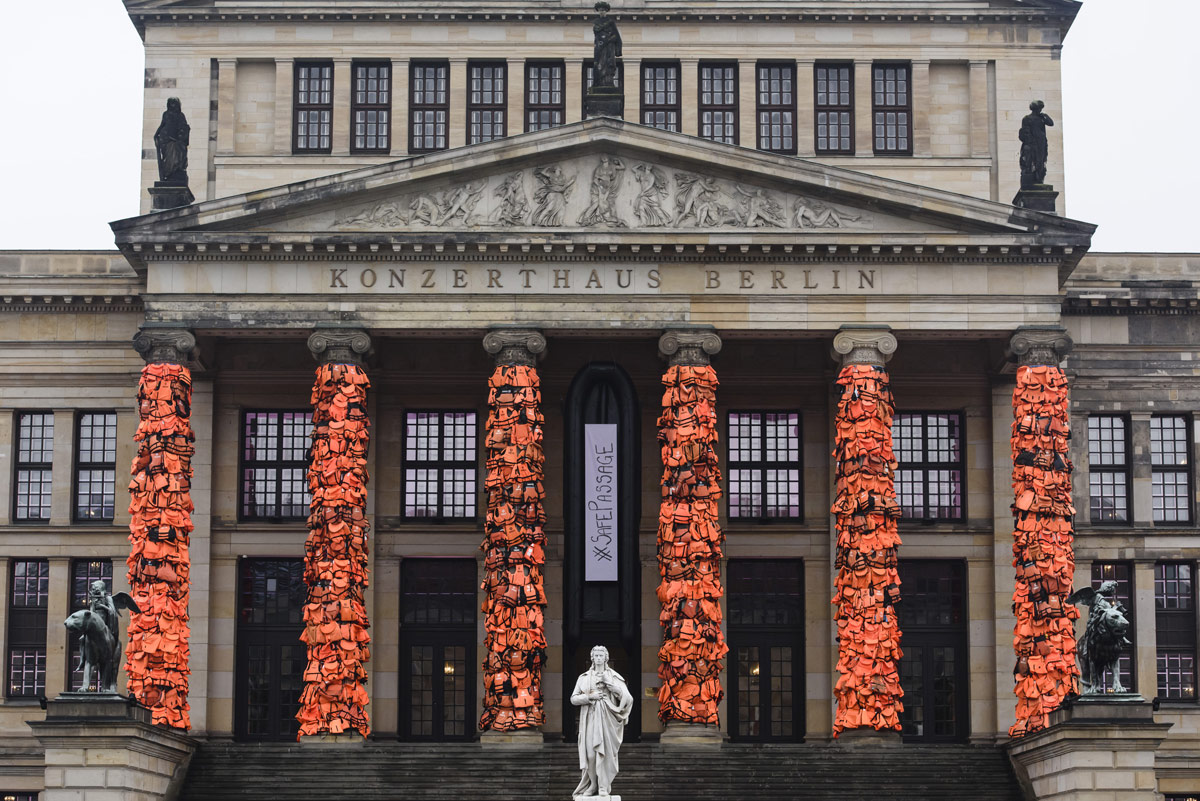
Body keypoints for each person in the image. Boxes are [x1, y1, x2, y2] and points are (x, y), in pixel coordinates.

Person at [571, 645, 633, 799]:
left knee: (605, 755)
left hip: (608, 719)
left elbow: (627, 697)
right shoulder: (583, 677)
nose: (598, 658)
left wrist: (610, 684)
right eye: (596, 655)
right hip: (590, 718)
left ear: (606, 658)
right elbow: (573, 699)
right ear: (592, 658)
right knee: (591, 755)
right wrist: (589, 697)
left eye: (601, 655)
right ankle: (593, 784)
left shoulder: (613, 676)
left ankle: (604, 787)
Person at [154, 97, 191, 184]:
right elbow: (162, 125)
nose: (172, 105)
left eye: (174, 104)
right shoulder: (166, 114)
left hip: (177, 141)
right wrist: (156, 135)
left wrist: (181, 137)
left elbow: (184, 128)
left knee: (177, 157)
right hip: (166, 140)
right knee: (168, 158)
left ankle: (176, 172)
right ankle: (169, 174)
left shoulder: (180, 115)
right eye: (171, 104)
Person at [1019, 100, 1054, 188]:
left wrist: (1045, 116)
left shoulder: (1042, 118)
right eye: (1039, 108)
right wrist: (1029, 142)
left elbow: (1051, 123)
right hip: (1031, 143)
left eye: (1041, 109)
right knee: (1029, 161)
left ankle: (1039, 179)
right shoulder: (1027, 118)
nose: (1040, 110)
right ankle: (1031, 179)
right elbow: (1025, 132)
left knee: (1041, 161)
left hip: (1041, 143)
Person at [592, 2, 622, 90]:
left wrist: (609, 39)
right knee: (599, 64)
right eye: (600, 10)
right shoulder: (596, 22)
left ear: (606, 11)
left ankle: (608, 81)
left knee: (609, 63)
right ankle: (599, 81)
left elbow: (616, 36)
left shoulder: (611, 22)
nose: (602, 12)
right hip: (599, 47)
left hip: (609, 47)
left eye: (604, 10)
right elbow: (596, 32)